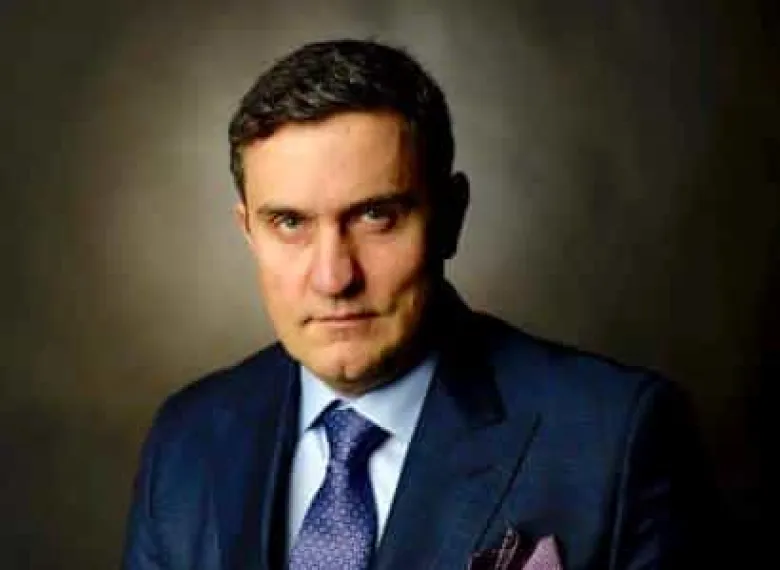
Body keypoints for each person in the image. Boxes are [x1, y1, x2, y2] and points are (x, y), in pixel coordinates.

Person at [122, 39, 722, 570]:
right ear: (249, 232)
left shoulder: (614, 439)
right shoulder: (187, 441)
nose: (334, 277)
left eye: (375, 215)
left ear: (451, 217)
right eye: (290, 223)